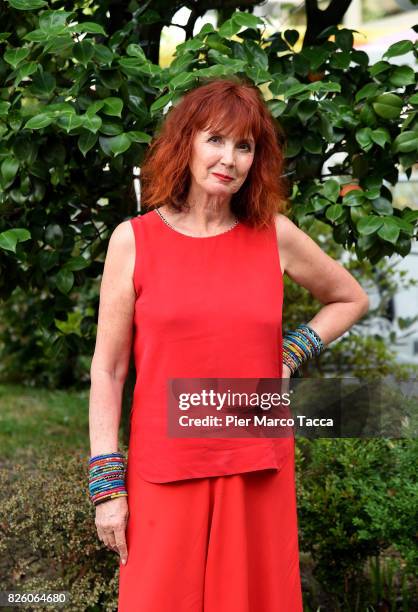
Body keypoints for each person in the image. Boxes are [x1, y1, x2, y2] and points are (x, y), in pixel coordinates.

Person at [88, 76, 369, 611]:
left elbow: (349, 298)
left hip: (255, 467)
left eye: (244, 146)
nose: (229, 159)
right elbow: (108, 370)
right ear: (186, 143)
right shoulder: (135, 241)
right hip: (163, 469)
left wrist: (290, 353)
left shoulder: (274, 235)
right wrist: (107, 484)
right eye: (215, 139)